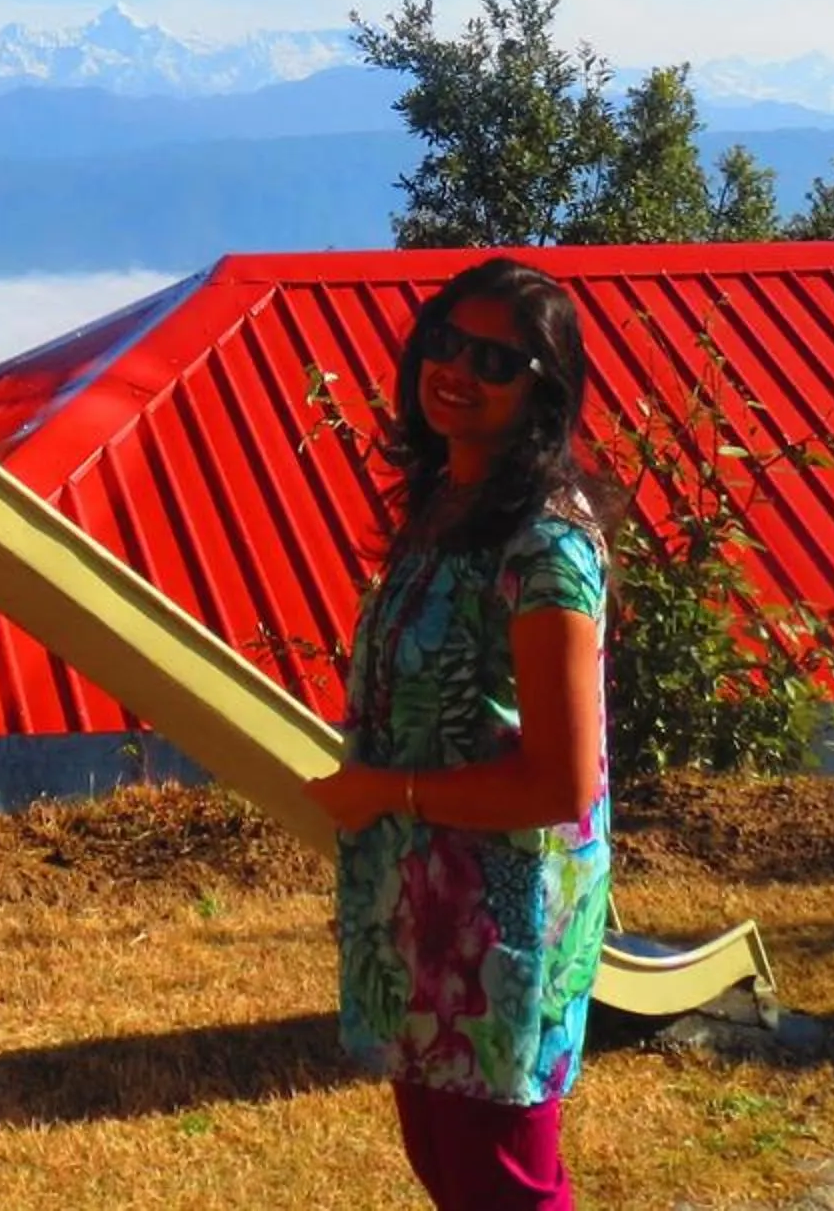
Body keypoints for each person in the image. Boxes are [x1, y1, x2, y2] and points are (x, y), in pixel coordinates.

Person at [302, 256, 611, 1211]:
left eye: (495, 360)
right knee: (449, 1166)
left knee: (504, 1183)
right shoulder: (443, 509)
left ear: (543, 391)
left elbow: (561, 785)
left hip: (502, 921)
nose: (458, 370)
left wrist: (387, 794)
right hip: (420, 908)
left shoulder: (547, 548)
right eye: (444, 342)